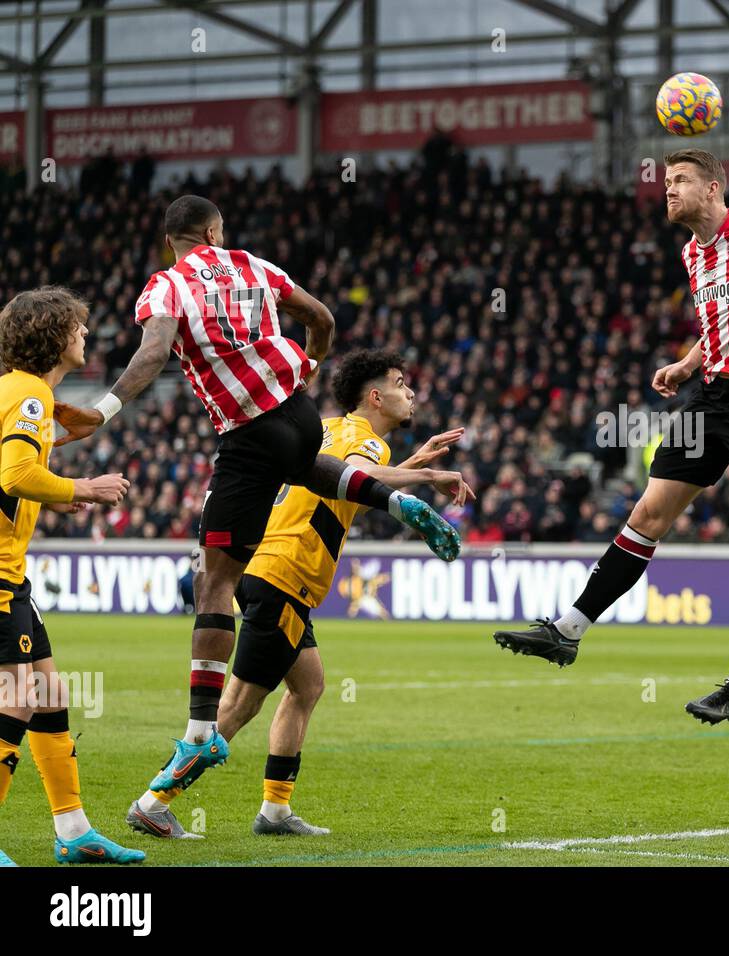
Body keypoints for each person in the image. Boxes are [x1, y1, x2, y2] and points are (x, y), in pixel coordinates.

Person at [52, 196, 461, 808]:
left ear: (172, 242)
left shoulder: (166, 286)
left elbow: (154, 351)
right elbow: (321, 316)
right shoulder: (252, 265)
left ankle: (196, 736)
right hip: (297, 412)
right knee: (307, 468)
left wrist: (101, 412)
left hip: (245, 430)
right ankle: (397, 504)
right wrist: (306, 371)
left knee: (214, 583)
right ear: (216, 232)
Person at [493, 148, 729, 724]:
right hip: (712, 397)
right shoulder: (694, 252)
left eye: (681, 181)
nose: (668, 190)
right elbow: (723, 324)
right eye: (666, 181)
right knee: (647, 513)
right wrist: (688, 364)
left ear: (713, 189)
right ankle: (569, 630)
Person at [127, 349, 474, 837]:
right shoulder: (366, 441)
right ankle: (154, 800)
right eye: (400, 382)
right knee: (238, 706)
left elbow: (344, 488)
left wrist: (416, 461)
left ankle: (275, 811)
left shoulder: (327, 428)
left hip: (262, 564)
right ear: (375, 396)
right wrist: (427, 476)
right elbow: (365, 477)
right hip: (286, 573)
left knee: (307, 685)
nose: (410, 391)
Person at [0, 286, 144, 864]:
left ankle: (74, 830)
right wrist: (84, 487)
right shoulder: (30, 394)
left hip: (14, 579)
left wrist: (55, 500)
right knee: (14, 699)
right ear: (55, 336)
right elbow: (15, 473)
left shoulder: (16, 392)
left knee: (48, 693)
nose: (86, 334)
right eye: (79, 327)